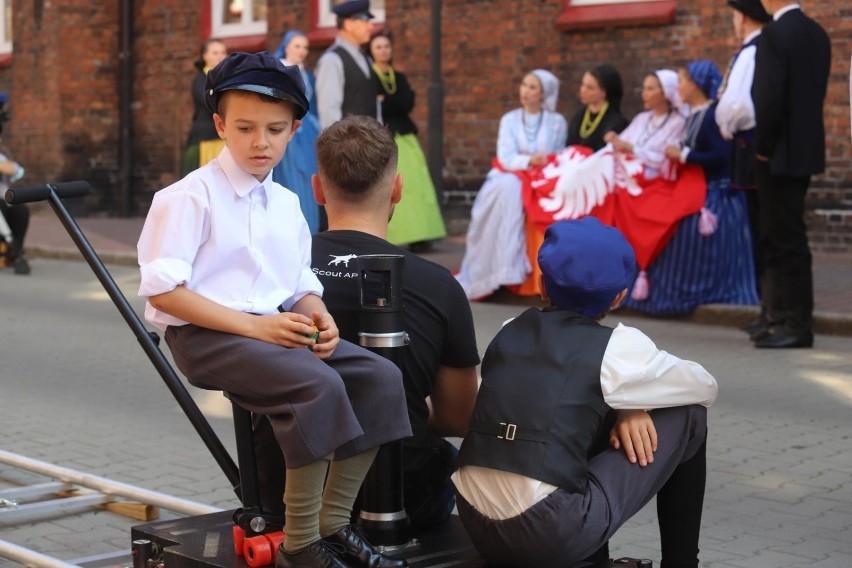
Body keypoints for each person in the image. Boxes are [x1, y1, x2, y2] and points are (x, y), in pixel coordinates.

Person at [137, 51, 410, 568]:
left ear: (295, 130)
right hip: (205, 336)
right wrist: (257, 328)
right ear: (220, 124)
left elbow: (297, 284)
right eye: (243, 128)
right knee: (318, 385)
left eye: (274, 129)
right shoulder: (188, 197)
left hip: (269, 332)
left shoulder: (286, 204)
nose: (259, 142)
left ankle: (333, 525)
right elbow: (164, 292)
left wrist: (318, 314)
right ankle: (300, 545)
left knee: (381, 378)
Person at [453, 216, 718, 568]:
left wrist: (626, 407)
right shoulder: (618, 347)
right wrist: (635, 402)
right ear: (620, 296)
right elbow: (703, 385)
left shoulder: (509, 329)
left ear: (543, 286)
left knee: (586, 405)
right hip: (548, 529)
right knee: (689, 417)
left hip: (472, 516)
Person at [312, 115, 479, 530]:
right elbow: (459, 417)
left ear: (317, 189)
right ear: (398, 189)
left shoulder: (275, 269)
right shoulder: (439, 286)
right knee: (446, 458)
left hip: (289, 487)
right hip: (396, 497)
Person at [622, 61, 758, 315]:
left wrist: (683, 154)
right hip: (699, 188)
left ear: (694, 85)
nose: (679, 86)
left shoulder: (712, 115)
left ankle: (691, 291)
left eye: (682, 81)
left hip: (718, 194)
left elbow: (721, 156)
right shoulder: (696, 114)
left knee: (683, 229)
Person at [750, 0, 831, 349]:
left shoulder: (774, 34)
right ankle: (783, 319)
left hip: (778, 152)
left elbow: (768, 99)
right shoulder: (817, 33)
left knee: (783, 239)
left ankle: (795, 325)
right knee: (787, 236)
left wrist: (763, 145)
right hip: (804, 149)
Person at [454, 69, 567, 300]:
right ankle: (496, 269)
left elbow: (559, 153)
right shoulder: (510, 119)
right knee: (505, 189)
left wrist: (541, 164)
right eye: (524, 85)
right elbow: (505, 155)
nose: (525, 91)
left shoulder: (557, 122)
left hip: (545, 174)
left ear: (543, 93)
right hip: (513, 171)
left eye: (533, 87)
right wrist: (527, 161)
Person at [715, 0, 772, 313]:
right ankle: (766, 302)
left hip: (748, 144)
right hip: (747, 145)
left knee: (759, 223)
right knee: (757, 222)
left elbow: (737, 106)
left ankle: (767, 301)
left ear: (744, 16)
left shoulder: (752, 51)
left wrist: (724, 124)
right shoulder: (752, 49)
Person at [368, 32, 447, 251]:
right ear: (371, 51)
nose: (384, 50)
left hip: (405, 135)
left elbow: (408, 103)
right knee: (392, 184)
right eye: (378, 47)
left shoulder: (398, 76)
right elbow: (383, 105)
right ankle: (392, 234)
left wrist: (386, 101)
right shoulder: (369, 76)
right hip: (385, 135)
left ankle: (421, 235)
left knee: (417, 184)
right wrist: (392, 103)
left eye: (386, 46)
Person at [271, 30, 322, 234]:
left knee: (310, 177)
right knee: (290, 176)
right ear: (286, 46)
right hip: (286, 128)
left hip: (308, 130)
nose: (302, 51)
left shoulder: (308, 75)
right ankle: (288, 229)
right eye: (297, 46)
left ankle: (310, 229)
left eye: (305, 47)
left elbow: (314, 105)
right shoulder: (277, 70)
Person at [604, 70, 686, 180]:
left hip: (656, 183)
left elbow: (664, 159)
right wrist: (614, 139)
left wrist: (632, 149)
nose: (644, 94)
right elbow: (622, 142)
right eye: (644, 88)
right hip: (627, 175)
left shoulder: (678, 122)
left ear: (665, 93)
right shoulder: (642, 118)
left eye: (650, 89)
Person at [315, 0, 379, 130]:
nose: (371, 26)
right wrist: (335, 149)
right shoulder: (332, 60)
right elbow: (329, 113)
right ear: (349, 25)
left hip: (370, 146)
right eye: (365, 21)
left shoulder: (366, 59)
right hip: (347, 148)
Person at [181, 38, 228, 177]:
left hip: (224, 139)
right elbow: (209, 102)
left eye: (223, 52)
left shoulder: (228, 78)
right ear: (205, 56)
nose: (220, 56)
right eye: (215, 52)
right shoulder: (200, 79)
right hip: (206, 139)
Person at [566, 64, 629, 151]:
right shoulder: (579, 115)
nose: (583, 90)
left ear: (604, 92)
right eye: (583, 85)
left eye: (590, 88)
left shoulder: (616, 121)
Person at [0, 93, 30, 276]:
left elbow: (16, 171)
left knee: (20, 210)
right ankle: (11, 249)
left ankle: (15, 249)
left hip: (3, 196)